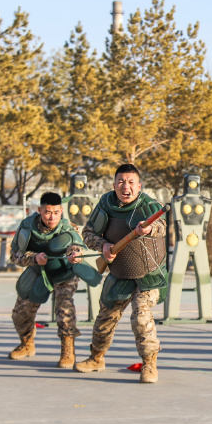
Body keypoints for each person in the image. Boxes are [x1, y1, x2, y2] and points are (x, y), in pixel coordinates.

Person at [74, 164, 168, 383]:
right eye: (121, 182)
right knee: (105, 318)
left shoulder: (150, 206)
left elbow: (161, 226)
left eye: (131, 182)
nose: (126, 187)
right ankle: (96, 358)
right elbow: (88, 234)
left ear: (139, 185)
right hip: (119, 274)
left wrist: (149, 229)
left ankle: (149, 364)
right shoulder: (105, 205)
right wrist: (103, 245)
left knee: (141, 315)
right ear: (114, 184)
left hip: (149, 276)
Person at [8, 192, 99, 368]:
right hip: (37, 272)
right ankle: (27, 343)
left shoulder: (67, 228)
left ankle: (68, 350)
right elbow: (15, 255)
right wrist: (33, 258)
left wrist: (75, 255)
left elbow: (76, 247)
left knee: (64, 308)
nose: (52, 217)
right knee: (19, 314)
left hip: (63, 274)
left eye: (56, 212)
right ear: (40, 210)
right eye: (48, 212)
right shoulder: (27, 227)